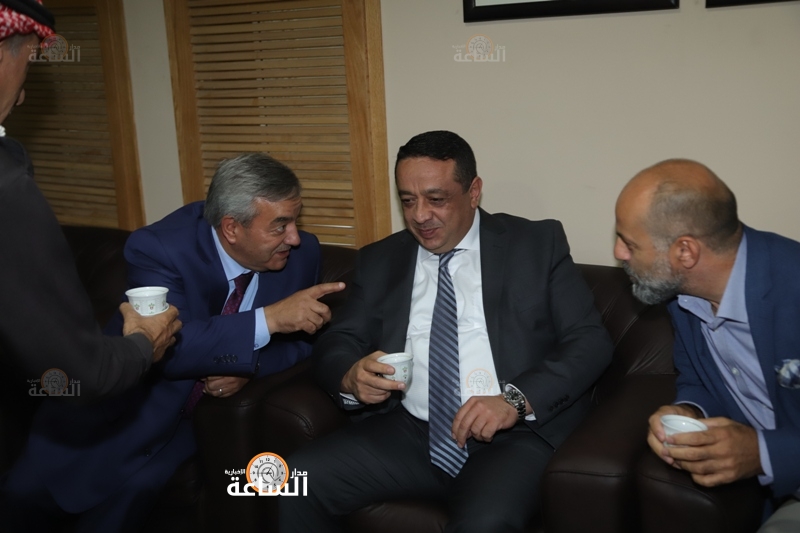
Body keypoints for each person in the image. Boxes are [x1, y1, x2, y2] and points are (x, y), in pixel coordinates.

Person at [280, 130, 613, 532]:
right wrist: (350, 375)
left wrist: (514, 399)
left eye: (436, 199)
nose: (420, 215)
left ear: (473, 192)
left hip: (512, 437)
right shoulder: (381, 259)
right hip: (410, 431)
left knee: (484, 523)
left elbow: (589, 340)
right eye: (408, 200)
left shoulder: (536, 244)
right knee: (293, 483)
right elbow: (339, 340)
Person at [0, 152, 344, 531]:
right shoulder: (159, 248)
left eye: (295, 220)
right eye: (280, 226)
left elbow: (305, 343)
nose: (294, 238)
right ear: (231, 228)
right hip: (124, 403)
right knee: (22, 501)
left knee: (124, 507)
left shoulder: (302, 254)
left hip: (191, 425)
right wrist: (270, 318)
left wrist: (251, 366)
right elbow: (171, 348)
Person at [0, 0, 181, 398]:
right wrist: (145, 343)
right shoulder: (8, 191)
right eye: (28, 63)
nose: (23, 96)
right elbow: (79, 373)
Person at [614, 159, 800, 532]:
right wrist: (688, 410)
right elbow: (698, 379)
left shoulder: (791, 287)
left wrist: (763, 453)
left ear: (685, 251)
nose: (619, 252)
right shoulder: (682, 298)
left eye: (630, 242)